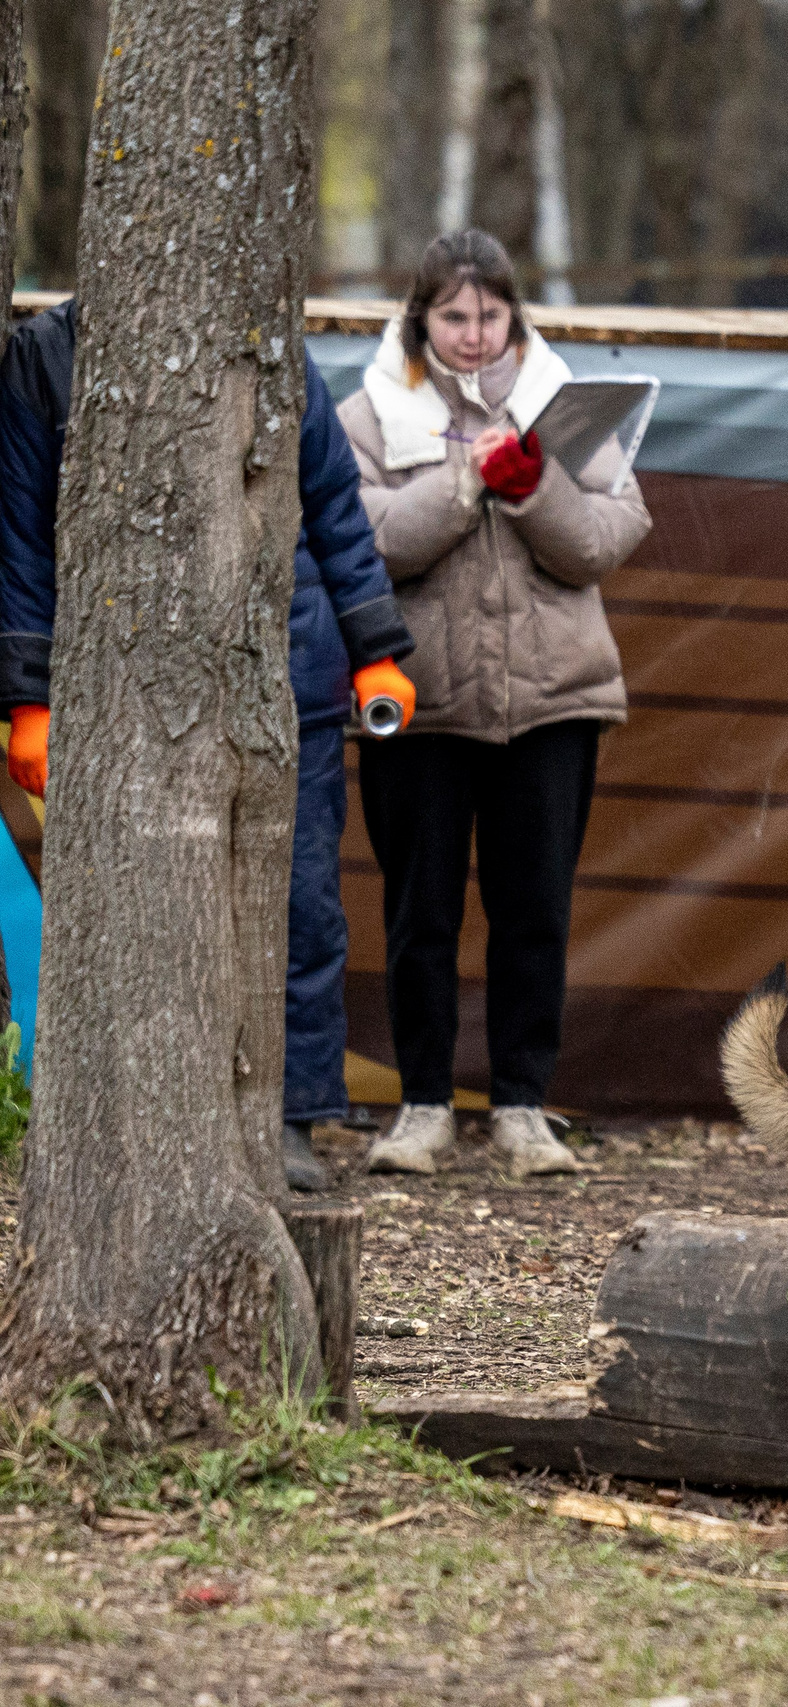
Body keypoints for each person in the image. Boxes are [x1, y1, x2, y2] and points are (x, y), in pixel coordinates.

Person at [0, 299, 418, 1194]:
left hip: (285, 670)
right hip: (123, 691)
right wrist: (29, 697)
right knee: (131, 910)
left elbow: (335, 504)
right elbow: (24, 540)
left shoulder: (269, 342)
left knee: (299, 906)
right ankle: (122, 1119)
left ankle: (291, 1117)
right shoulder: (48, 357)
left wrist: (376, 648)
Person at [336, 229, 651, 1179]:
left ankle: (522, 1108)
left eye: (489, 313)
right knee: (418, 913)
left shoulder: (569, 404)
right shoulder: (369, 413)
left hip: (554, 701)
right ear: (420, 322)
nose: (473, 334)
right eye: (452, 315)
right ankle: (422, 1107)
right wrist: (467, 477)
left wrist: (535, 486)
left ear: (515, 314)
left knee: (535, 911)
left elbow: (605, 535)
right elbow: (371, 539)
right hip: (420, 701)